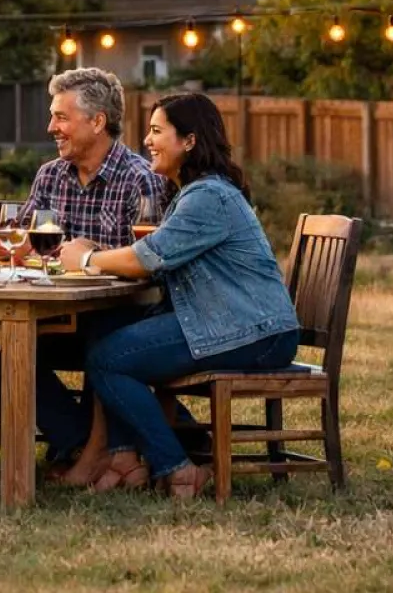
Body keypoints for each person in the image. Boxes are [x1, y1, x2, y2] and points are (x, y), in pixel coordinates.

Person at [60, 92, 301, 498]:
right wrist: (99, 255)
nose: (147, 142)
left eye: (157, 131)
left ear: (189, 141)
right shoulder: (195, 193)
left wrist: (86, 260)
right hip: (230, 322)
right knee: (105, 327)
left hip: (253, 332)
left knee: (108, 362)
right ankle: (122, 458)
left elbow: (147, 258)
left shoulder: (208, 196)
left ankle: (179, 467)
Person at [22, 68, 166, 483]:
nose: (51, 127)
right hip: (58, 313)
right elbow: (25, 249)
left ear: (97, 121)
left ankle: (98, 453)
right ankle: (82, 441)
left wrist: (92, 256)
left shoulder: (140, 179)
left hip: (123, 316)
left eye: (61, 117)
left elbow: (146, 267)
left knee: (107, 331)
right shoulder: (50, 176)